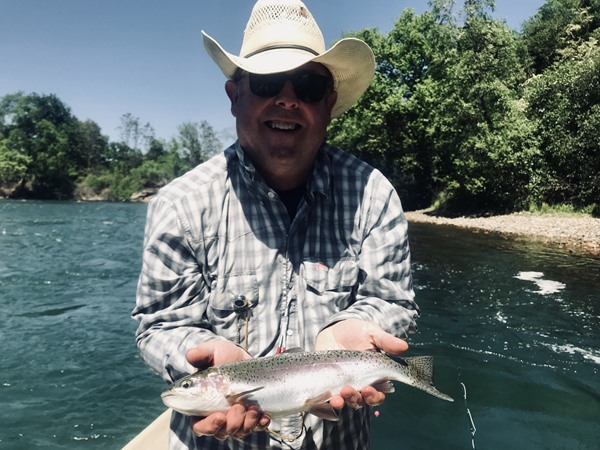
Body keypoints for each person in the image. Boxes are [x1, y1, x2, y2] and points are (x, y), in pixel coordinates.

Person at [132, 0, 419, 449]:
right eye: (267, 81)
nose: (287, 98)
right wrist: (198, 359)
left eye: (307, 84)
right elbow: (160, 325)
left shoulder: (374, 195)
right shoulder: (179, 205)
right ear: (234, 95)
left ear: (329, 102)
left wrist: (349, 336)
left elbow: (392, 302)